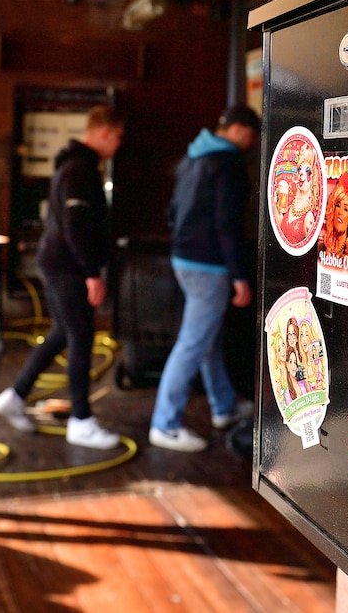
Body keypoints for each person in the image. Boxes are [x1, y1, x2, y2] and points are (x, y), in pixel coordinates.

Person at [0, 105, 125, 449]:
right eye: (118, 136)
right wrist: (92, 272)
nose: (118, 144)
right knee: (81, 336)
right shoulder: (80, 170)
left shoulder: (76, 165)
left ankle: (15, 396)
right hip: (68, 267)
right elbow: (76, 226)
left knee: (63, 333)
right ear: (105, 132)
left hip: (59, 263)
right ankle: (81, 421)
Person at [148, 103, 259, 452]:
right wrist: (239, 276)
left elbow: (172, 211)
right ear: (239, 130)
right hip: (209, 266)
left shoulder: (192, 157)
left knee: (207, 339)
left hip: (183, 259)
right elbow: (228, 224)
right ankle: (164, 425)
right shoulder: (228, 164)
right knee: (193, 343)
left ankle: (224, 407)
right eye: (251, 136)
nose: (252, 143)